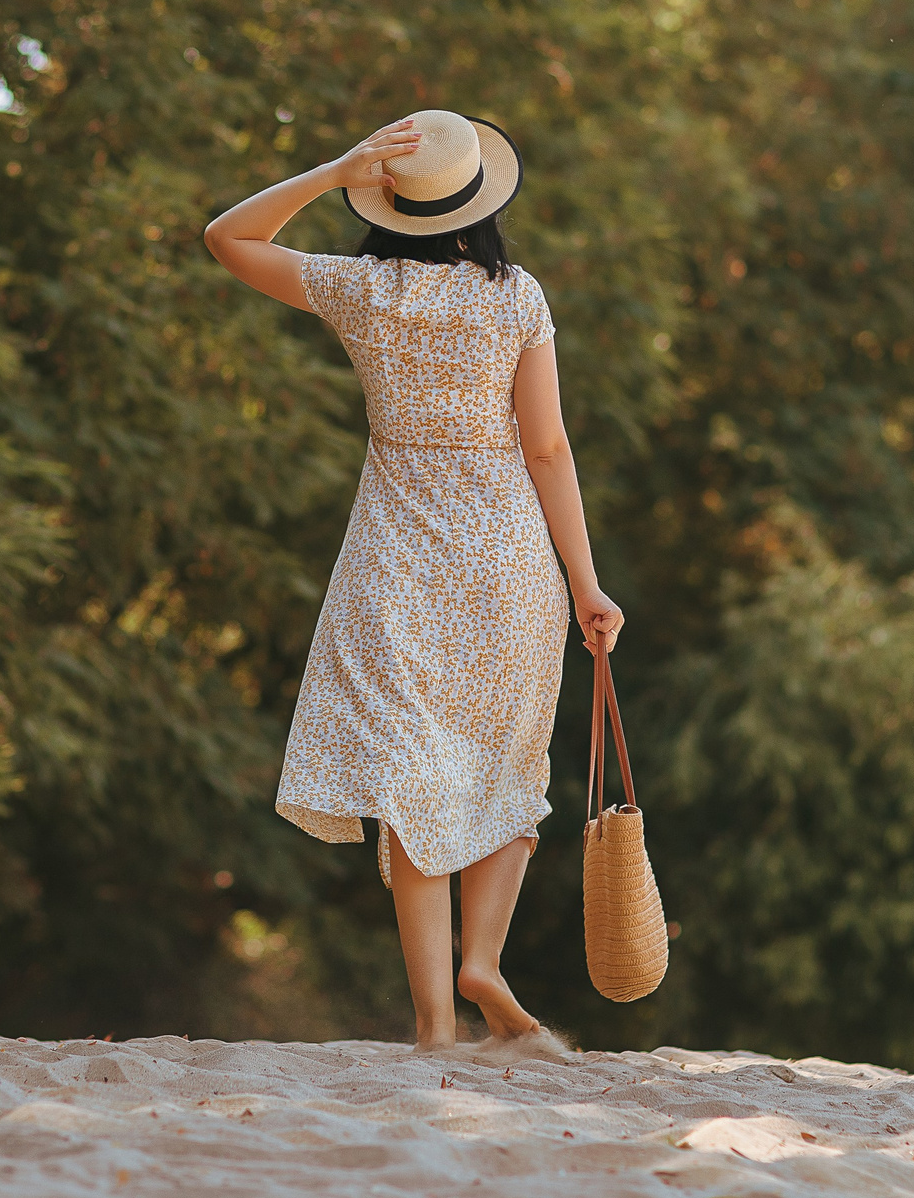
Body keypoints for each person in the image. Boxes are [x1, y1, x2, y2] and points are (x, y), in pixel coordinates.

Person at [202, 109, 624, 1050]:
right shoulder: (517, 298)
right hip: (509, 559)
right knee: (509, 768)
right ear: (483, 198)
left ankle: (436, 1020)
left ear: (389, 202)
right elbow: (548, 446)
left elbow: (226, 236)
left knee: (411, 780)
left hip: (397, 560)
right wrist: (587, 583)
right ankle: (484, 963)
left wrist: (332, 168)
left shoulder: (360, 288)